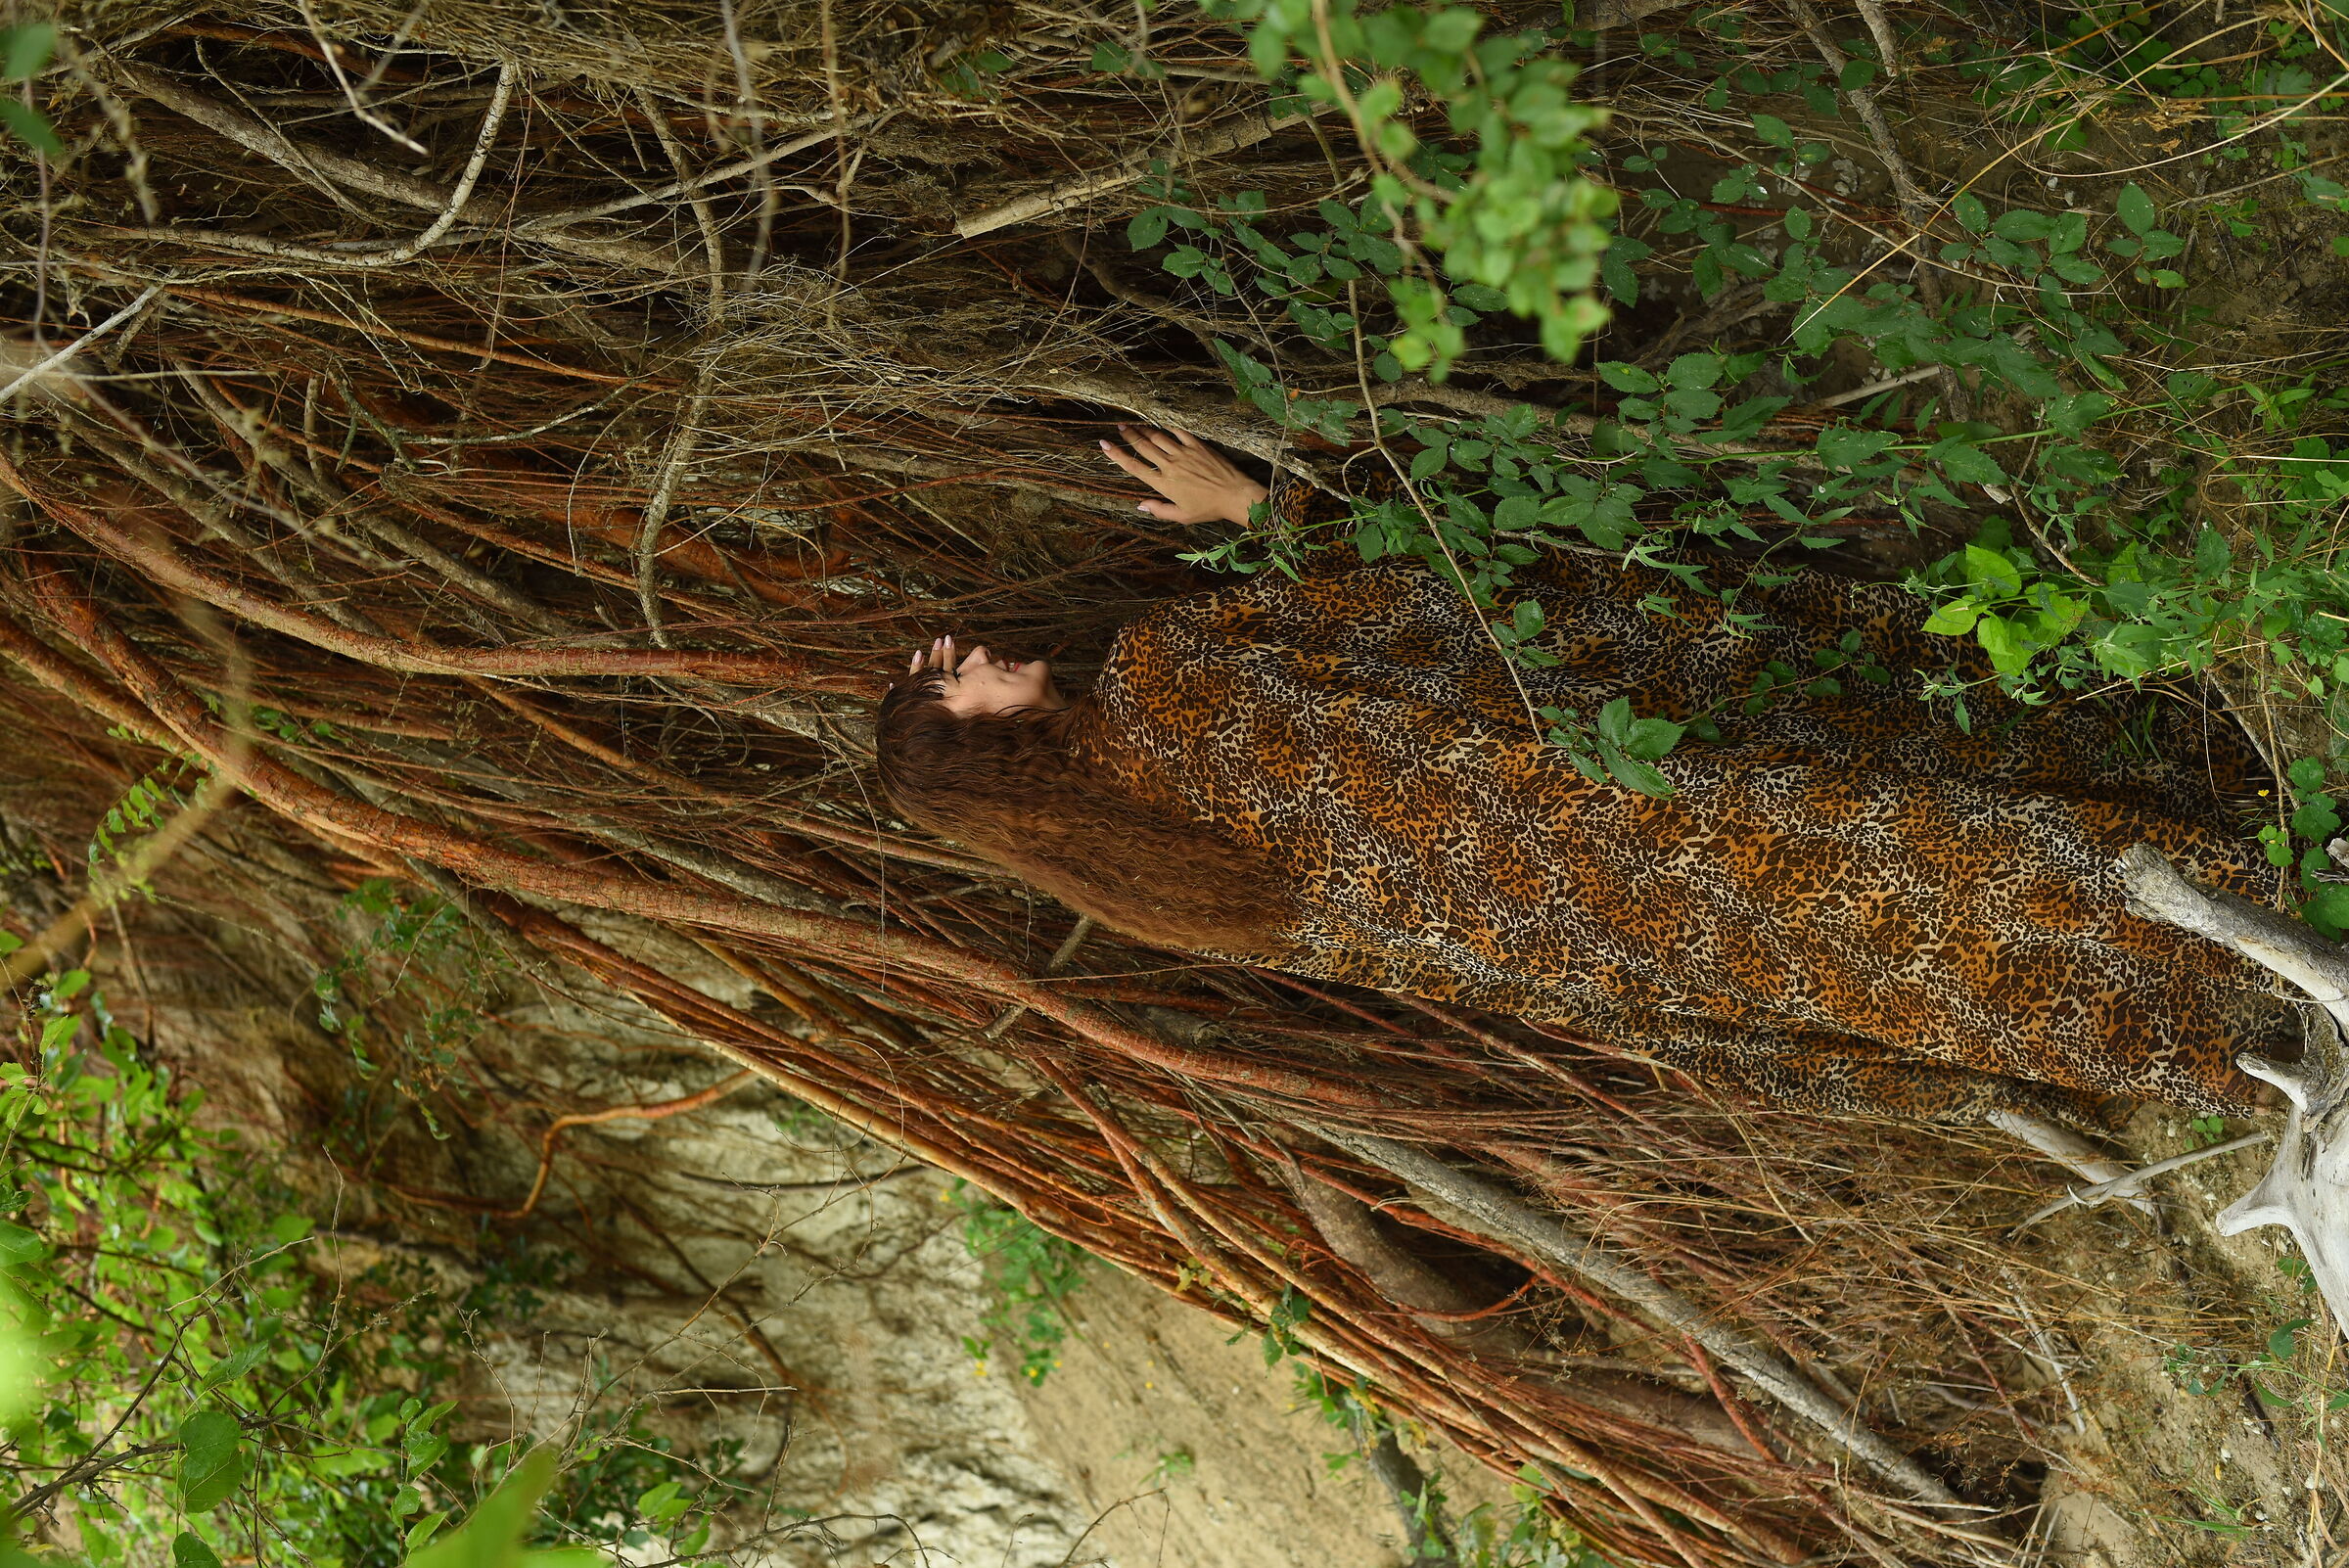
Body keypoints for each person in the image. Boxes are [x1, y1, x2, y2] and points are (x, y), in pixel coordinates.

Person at [878, 425, 2295, 1133]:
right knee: (1931, 847)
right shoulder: (1163, 673)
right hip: (1641, 812)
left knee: (1879, 957)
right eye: (959, 675)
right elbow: (1398, 608)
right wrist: (1256, 506)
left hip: (1610, 930)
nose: (986, 651)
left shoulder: (1141, 886)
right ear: (975, 740)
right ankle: (2256, 890)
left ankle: (2229, 1036)